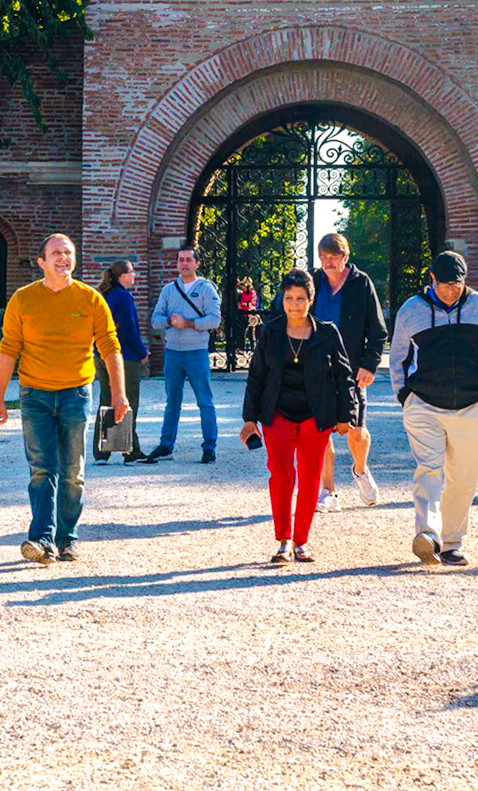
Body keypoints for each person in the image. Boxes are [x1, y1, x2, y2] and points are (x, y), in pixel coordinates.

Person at [0, 234, 129, 565]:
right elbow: (8, 350)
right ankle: (42, 539)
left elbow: (110, 347)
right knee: (41, 469)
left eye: (68, 253)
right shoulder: (23, 300)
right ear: (42, 262)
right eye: (56, 253)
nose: (63, 258)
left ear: (74, 260)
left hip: (76, 393)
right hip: (34, 395)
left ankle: (67, 538)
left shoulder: (91, 299)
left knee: (72, 471)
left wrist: (120, 393)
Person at [388, 251, 478, 568]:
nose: (450, 291)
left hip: (471, 404)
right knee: (429, 470)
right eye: (444, 285)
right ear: (432, 280)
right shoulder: (411, 310)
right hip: (423, 403)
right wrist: (405, 396)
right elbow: (397, 356)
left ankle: (453, 543)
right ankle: (427, 535)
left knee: (464, 478)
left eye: (456, 285)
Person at [240, 269, 354, 564]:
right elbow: (256, 376)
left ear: (311, 300)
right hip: (277, 413)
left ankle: (301, 541)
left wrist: (347, 415)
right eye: (289, 298)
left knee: (309, 478)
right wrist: (249, 418)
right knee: (280, 476)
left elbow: (344, 377)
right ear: (283, 299)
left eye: (300, 298)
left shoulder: (327, 333)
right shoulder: (271, 332)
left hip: (316, 416)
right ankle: (283, 540)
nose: (294, 304)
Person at [307, 233, 387, 514]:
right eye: (324, 257)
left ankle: (361, 470)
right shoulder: (313, 282)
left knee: (356, 431)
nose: (328, 262)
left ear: (345, 258)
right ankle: (329, 492)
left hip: (351, 369)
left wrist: (370, 364)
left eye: (333, 257)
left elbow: (377, 330)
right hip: (317, 368)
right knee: (321, 432)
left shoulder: (361, 283)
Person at [146, 245, 222, 464]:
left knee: (205, 402)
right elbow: (156, 319)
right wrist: (170, 321)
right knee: (172, 402)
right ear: (177, 263)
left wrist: (188, 323)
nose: (185, 264)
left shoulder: (207, 289)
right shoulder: (169, 290)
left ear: (197, 263)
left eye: (189, 260)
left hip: (196, 352)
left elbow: (214, 320)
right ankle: (166, 444)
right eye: (181, 260)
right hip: (173, 354)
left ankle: (209, 447)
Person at [95, 260, 148, 464]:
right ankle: (130, 451)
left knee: (106, 400)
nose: (134, 276)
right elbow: (128, 328)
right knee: (128, 401)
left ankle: (102, 452)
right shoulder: (123, 296)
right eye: (132, 272)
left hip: (102, 354)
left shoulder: (105, 294)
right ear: (123, 276)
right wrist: (142, 352)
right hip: (124, 356)